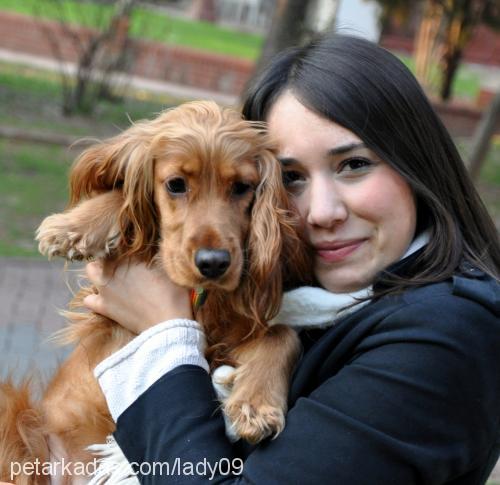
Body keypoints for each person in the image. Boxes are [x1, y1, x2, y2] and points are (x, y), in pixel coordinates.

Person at [83, 34, 500, 484]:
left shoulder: (446, 335)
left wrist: (162, 335)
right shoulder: (318, 296)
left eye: (354, 165)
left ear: (416, 163)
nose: (323, 212)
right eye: (291, 178)